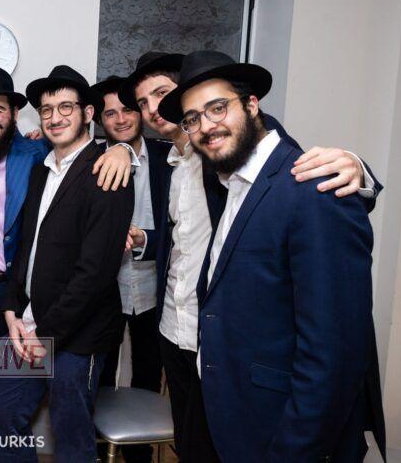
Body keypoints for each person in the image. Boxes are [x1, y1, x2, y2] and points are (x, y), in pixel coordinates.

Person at [117, 51, 382, 461]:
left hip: (268, 404)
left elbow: (333, 356)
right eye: (193, 117)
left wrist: (358, 169)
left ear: (252, 104)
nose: (207, 125)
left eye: (218, 107)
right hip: (203, 361)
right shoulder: (221, 175)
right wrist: (119, 148)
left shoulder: (300, 182)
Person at [0, 66, 133, 462]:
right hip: (26, 319)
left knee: (70, 430)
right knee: (2, 414)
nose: (55, 117)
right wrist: (12, 308)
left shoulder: (106, 170)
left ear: (88, 113)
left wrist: (121, 148)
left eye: (65, 107)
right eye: (47, 110)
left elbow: (94, 274)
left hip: (78, 332)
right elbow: (27, 246)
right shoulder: (42, 170)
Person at [91, 74, 166, 463]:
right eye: (110, 113)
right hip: (105, 289)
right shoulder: (91, 158)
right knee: (99, 376)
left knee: (149, 374)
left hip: (155, 287)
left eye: (127, 110)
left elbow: (182, 228)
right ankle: (98, 450)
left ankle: (139, 456)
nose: (119, 119)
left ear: (141, 112)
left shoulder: (170, 157)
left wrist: (144, 239)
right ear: (99, 120)